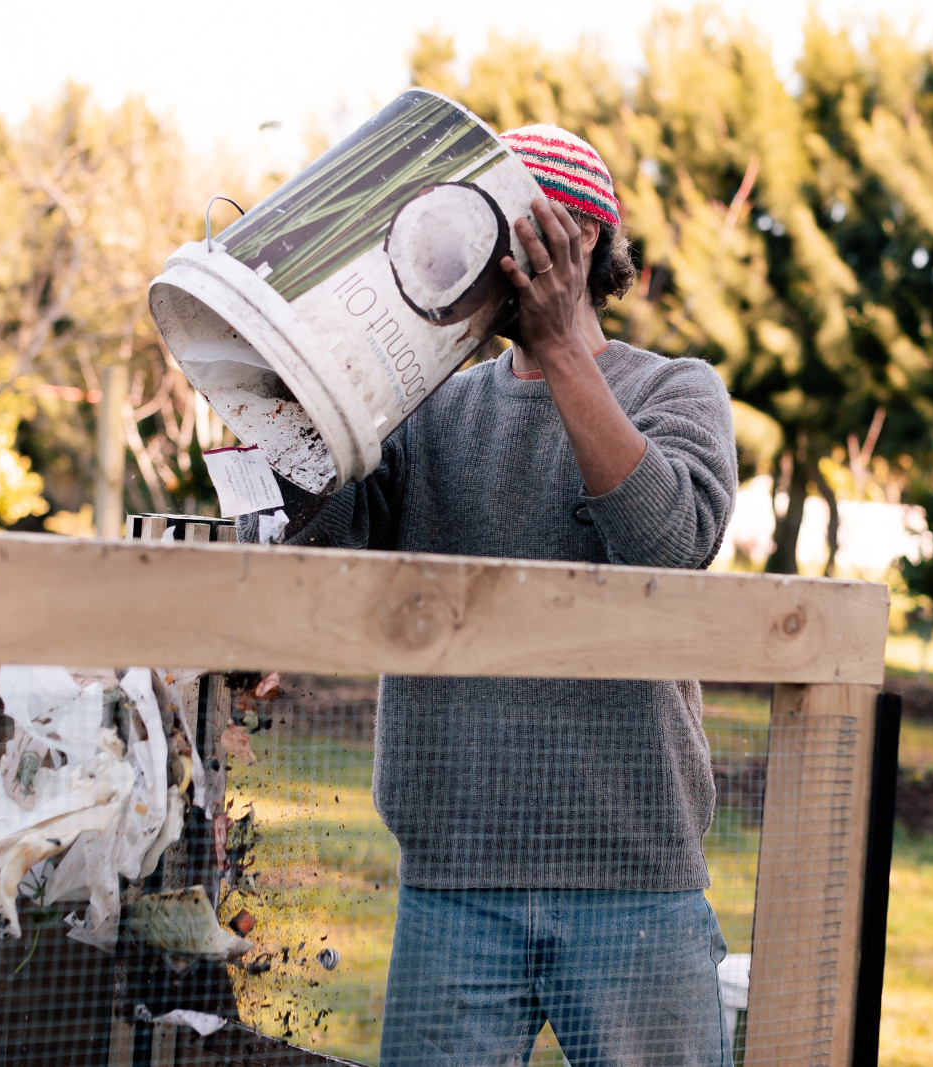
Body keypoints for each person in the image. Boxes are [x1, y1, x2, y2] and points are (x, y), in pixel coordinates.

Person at [245, 124, 738, 1066]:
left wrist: (560, 351)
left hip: (633, 882)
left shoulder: (676, 390)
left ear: (579, 240)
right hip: (453, 882)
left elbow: (671, 543)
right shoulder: (430, 408)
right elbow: (327, 545)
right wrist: (288, 394)